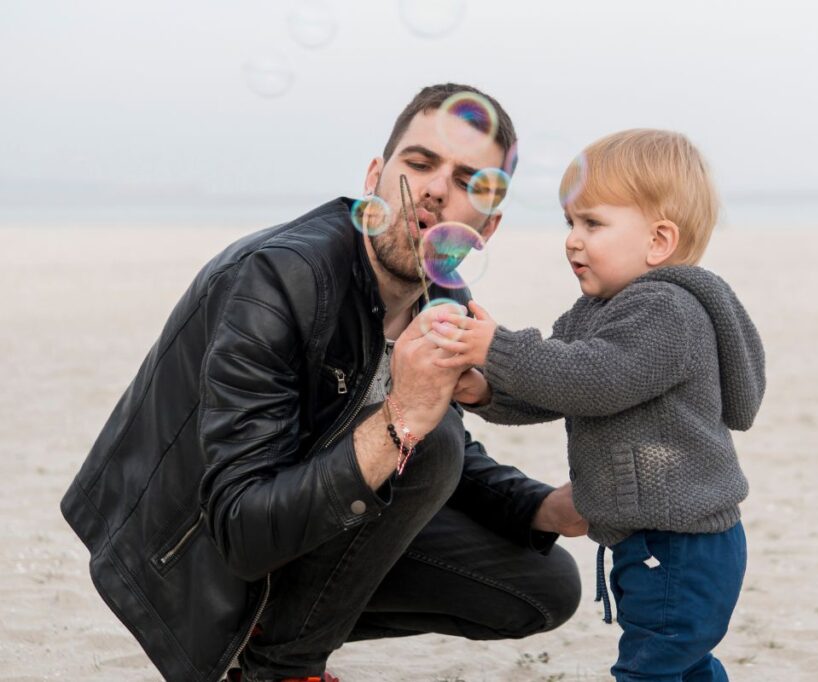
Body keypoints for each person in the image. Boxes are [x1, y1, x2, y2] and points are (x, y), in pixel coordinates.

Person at [59, 83, 584, 682]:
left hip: (307, 520)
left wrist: (546, 508)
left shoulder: (442, 295)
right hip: (192, 551)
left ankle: (277, 630)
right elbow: (240, 529)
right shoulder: (279, 281)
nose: (438, 189)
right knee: (424, 438)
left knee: (545, 586)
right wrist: (400, 420)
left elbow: (447, 459)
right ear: (374, 177)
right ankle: (282, 667)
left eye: (468, 182)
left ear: (485, 228)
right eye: (420, 163)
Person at [428, 129, 766, 681]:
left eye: (593, 224)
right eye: (570, 223)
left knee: (650, 668)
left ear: (658, 241)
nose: (572, 240)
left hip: (681, 544)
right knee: (681, 664)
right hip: (654, 537)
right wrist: (487, 389)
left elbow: (596, 377)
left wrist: (497, 347)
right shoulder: (600, 310)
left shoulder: (666, 310)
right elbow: (557, 379)